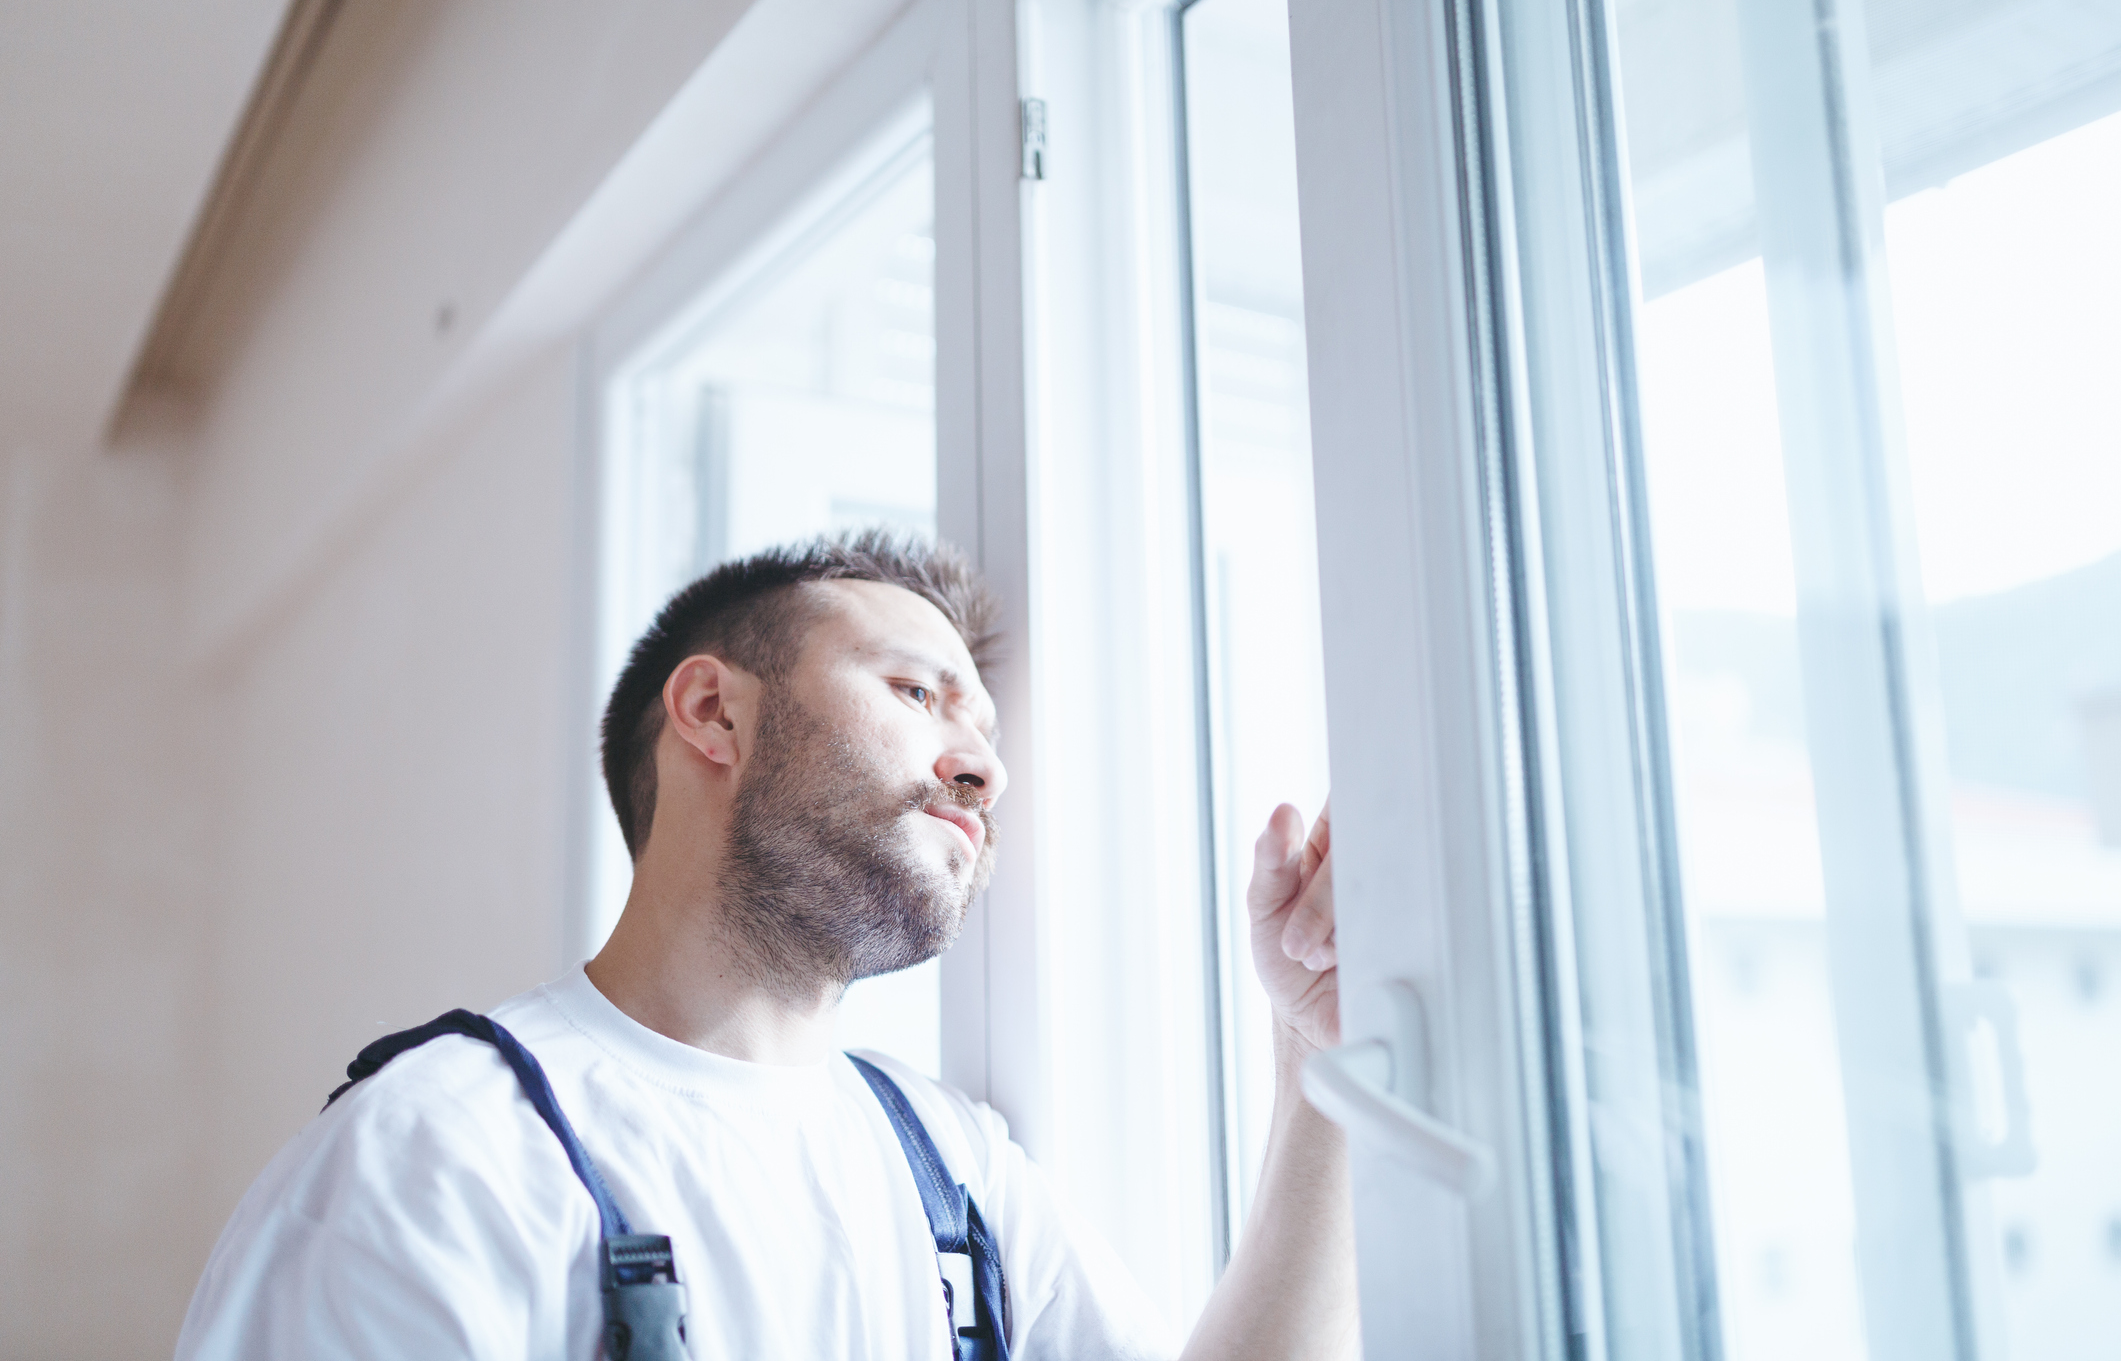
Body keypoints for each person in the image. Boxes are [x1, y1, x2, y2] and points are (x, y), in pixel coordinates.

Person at [175, 529, 1353, 1359]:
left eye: (984, 732)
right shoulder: (437, 1155)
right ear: (713, 712)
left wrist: (1316, 1066)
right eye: (914, 691)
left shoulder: (955, 1165)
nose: (984, 768)